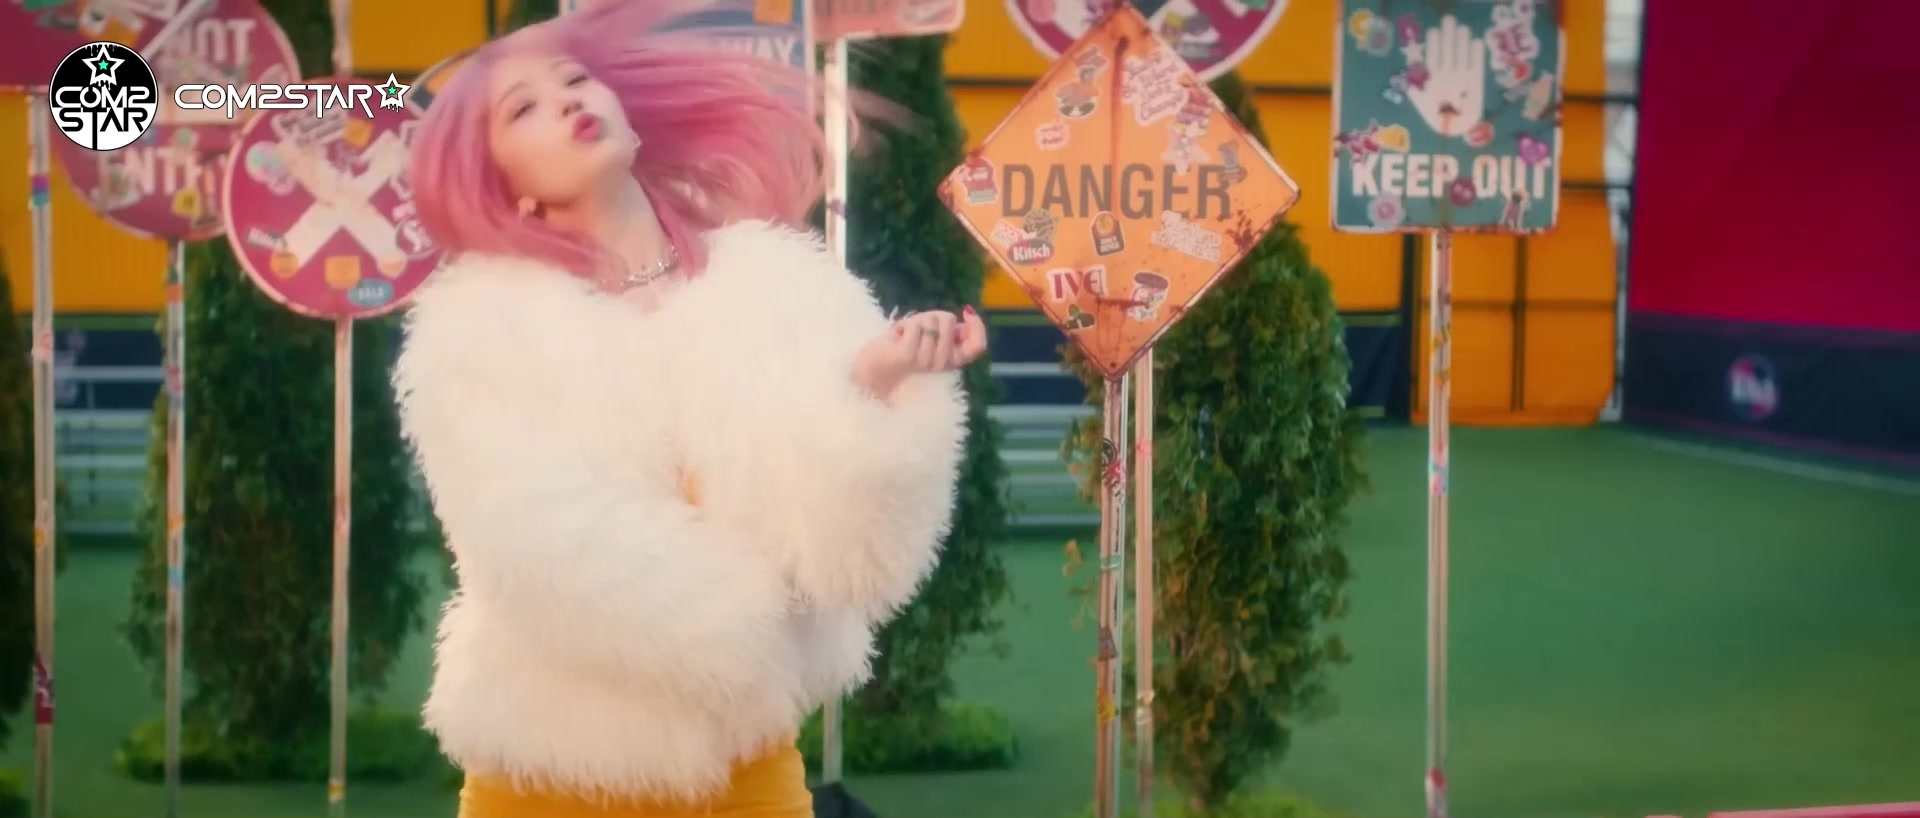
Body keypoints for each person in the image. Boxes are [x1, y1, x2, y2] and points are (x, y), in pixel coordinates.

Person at [391, 2, 984, 816]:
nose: (568, 102)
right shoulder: (477, 332)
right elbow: (530, 544)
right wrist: (743, 630)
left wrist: (877, 385)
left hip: (748, 773)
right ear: (506, 187)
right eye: (523, 109)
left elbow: (854, 554)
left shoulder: (777, 283)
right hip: (544, 777)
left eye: (575, 80)